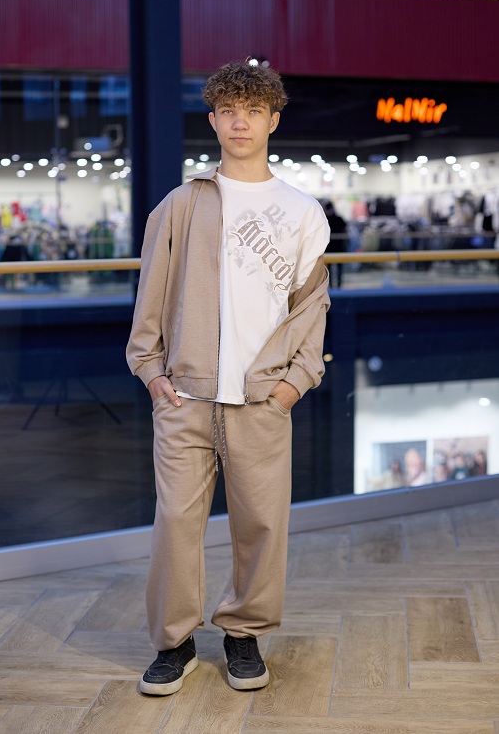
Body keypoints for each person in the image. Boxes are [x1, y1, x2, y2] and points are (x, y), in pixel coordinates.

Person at [126, 60, 330, 696]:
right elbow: (150, 296)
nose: (241, 122)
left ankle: (244, 634)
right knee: (175, 525)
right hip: (184, 397)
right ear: (213, 121)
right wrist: (151, 373)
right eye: (229, 111)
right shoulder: (181, 204)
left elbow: (312, 307)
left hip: (263, 399)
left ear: (273, 120)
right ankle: (174, 643)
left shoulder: (302, 212)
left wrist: (294, 384)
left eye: (254, 111)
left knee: (262, 525)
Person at [321, 199, 347, 288]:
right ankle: (337, 286)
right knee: (337, 268)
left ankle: (333, 286)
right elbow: (345, 230)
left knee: (330, 269)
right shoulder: (339, 219)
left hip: (330, 248)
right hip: (338, 248)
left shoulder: (324, 220)